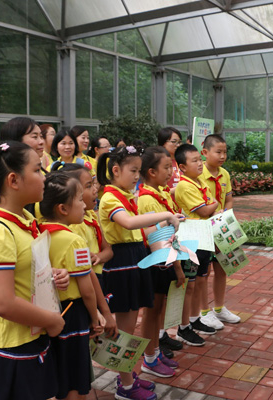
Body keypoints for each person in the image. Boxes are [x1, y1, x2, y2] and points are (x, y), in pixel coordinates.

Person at [0, 141, 64, 400]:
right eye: (37, 170)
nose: (45, 177)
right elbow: (3, 303)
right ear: (13, 180)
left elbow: (23, 270)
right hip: (7, 348)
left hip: (31, 337)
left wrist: (52, 275)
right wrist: (52, 320)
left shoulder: (24, 220)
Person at [96, 146, 183, 400]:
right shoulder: (110, 198)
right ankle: (125, 385)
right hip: (122, 265)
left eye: (138, 171)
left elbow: (141, 231)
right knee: (124, 331)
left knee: (129, 326)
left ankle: (129, 377)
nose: (137, 176)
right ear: (115, 170)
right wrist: (165, 215)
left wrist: (165, 224)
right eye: (133, 171)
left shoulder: (125, 196)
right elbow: (129, 223)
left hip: (134, 261)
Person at [39, 172, 101, 400]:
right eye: (80, 200)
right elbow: (87, 290)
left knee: (61, 374)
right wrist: (94, 318)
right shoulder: (75, 240)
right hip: (73, 314)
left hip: (49, 312)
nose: (84, 205)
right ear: (63, 209)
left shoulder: (38, 232)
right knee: (75, 377)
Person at [138, 147, 185, 375]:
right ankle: (149, 358)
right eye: (166, 168)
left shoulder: (161, 193)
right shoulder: (147, 200)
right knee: (152, 311)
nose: (171, 172)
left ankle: (155, 352)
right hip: (158, 260)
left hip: (165, 258)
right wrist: (178, 268)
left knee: (158, 310)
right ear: (151, 171)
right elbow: (160, 238)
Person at [60, 163, 116, 337]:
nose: (95, 189)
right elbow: (87, 274)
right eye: (89, 186)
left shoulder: (91, 216)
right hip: (87, 286)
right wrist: (104, 311)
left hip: (96, 281)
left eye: (93, 183)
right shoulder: (74, 227)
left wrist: (98, 256)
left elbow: (108, 250)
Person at [175, 144, 219, 341]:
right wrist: (214, 204)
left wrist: (213, 205)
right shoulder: (184, 186)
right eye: (194, 161)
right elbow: (205, 210)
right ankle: (184, 326)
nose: (200, 164)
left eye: (199, 160)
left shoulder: (199, 181)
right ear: (182, 167)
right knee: (189, 284)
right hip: (191, 239)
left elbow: (211, 205)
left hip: (203, 236)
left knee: (201, 278)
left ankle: (194, 319)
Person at [200, 134, 241, 327]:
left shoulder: (224, 174)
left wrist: (226, 213)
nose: (223, 156)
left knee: (222, 267)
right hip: (203, 227)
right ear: (205, 152)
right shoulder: (198, 174)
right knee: (203, 272)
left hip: (221, 226)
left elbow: (229, 199)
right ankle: (203, 311)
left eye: (225, 152)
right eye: (218, 152)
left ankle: (219, 308)